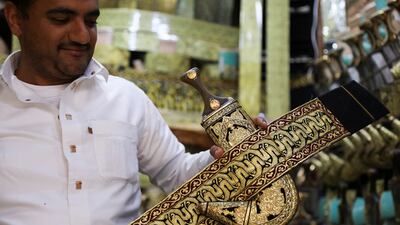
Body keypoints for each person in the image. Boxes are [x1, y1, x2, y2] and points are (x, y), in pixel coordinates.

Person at [0, 0, 268, 224]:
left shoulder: (125, 98)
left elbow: (176, 173)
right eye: (61, 19)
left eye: (91, 22)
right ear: (15, 19)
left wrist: (229, 156)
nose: (82, 36)